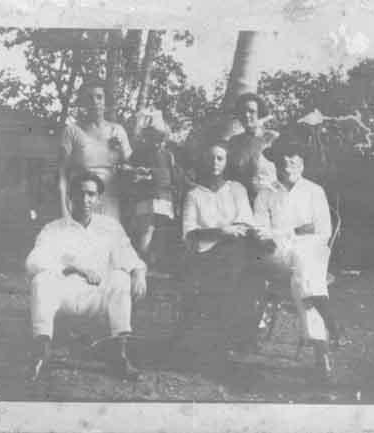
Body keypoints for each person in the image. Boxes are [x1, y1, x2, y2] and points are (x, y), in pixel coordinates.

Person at [26, 173, 147, 381]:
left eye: (91, 194)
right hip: (64, 293)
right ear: (70, 197)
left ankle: (119, 354)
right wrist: (75, 267)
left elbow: (128, 256)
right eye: (79, 193)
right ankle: (41, 353)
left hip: (97, 295)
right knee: (41, 280)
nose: (85, 199)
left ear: (98, 199)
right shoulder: (54, 229)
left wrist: (139, 272)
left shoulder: (110, 227)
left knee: (120, 278)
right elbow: (33, 261)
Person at [252, 132, 339, 380]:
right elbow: (260, 231)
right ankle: (324, 341)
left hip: (310, 253)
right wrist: (294, 232)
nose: (288, 164)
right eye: (283, 159)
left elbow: (323, 233)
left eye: (294, 159)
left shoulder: (315, 192)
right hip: (277, 256)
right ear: (276, 163)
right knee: (308, 278)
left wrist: (286, 235)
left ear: (302, 163)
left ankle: (321, 350)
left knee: (303, 274)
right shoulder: (266, 193)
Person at [182, 141, 263, 357]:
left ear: (227, 162)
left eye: (220, 158)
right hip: (206, 255)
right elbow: (189, 233)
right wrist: (221, 231)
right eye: (210, 158)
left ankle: (235, 337)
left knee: (244, 271)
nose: (215, 163)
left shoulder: (236, 189)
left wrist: (233, 233)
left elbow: (246, 222)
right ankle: (227, 339)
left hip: (235, 250)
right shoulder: (194, 195)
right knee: (232, 272)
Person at [127, 109, 196, 268]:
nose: (157, 142)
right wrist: (144, 175)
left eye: (160, 138)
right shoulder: (139, 154)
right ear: (146, 137)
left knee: (161, 231)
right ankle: (141, 263)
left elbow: (174, 175)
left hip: (164, 197)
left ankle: (154, 262)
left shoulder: (168, 155)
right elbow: (132, 174)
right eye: (152, 138)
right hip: (146, 196)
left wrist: (185, 183)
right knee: (146, 230)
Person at [58, 81, 132, 221]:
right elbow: (62, 174)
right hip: (81, 200)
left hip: (110, 200)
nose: (95, 102)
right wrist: (64, 209)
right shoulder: (72, 131)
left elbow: (129, 167)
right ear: (83, 102)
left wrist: (121, 152)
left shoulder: (117, 131)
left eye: (99, 97)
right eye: (89, 98)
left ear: (106, 100)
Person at [227, 93, 279, 203]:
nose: (246, 115)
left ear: (259, 113)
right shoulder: (234, 142)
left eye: (251, 111)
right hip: (241, 203)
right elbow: (229, 176)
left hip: (269, 201)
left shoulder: (272, 139)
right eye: (242, 112)